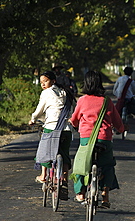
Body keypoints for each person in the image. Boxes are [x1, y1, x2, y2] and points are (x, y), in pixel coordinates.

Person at [69, 70, 124, 209]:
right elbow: (117, 121)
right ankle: (105, 195)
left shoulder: (82, 100)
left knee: (80, 163)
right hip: (104, 138)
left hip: (86, 139)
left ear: (85, 83)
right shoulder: (107, 101)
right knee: (108, 165)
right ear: (100, 83)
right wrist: (121, 129)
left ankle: (80, 193)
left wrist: (75, 125)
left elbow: (74, 120)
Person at [28, 71, 75, 201]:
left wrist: (32, 119)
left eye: (45, 81)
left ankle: (43, 175)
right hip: (66, 130)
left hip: (51, 129)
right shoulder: (66, 93)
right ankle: (64, 181)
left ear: (53, 81)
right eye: (41, 82)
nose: (43, 84)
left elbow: (39, 110)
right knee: (64, 155)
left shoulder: (46, 93)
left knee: (44, 151)